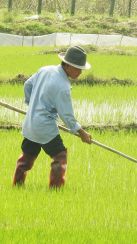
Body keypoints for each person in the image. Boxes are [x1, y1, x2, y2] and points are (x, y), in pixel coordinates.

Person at [13, 46, 93, 188]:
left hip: (31, 122)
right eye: (77, 68)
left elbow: (27, 85)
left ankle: (17, 185)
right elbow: (67, 116)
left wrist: (33, 106)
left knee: (27, 155)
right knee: (60, 156)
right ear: (67, 65)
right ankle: (56, 189)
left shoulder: (46, 69)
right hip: (44, 126)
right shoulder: (62, 86)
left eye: (81, 69)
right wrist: (82, 133)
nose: (80, 72)